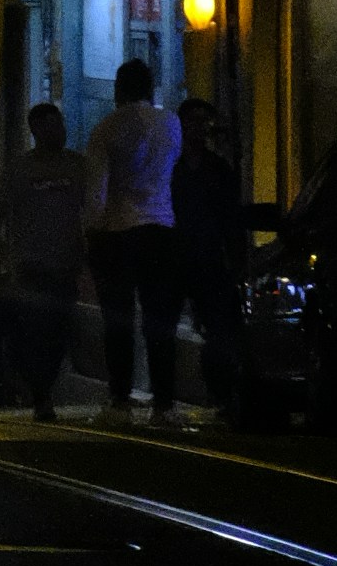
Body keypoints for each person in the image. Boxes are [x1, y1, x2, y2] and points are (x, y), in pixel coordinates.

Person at [82, 59, 183, 425]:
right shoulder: (171, 124)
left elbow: (98, 193)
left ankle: (120, 402)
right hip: (162, 227)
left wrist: (89, 233)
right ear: (151, 87)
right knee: (161, 320)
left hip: (118, 231)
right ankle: (165, 405)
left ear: (118, 89)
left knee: (119, 320)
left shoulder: (106, 129)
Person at [0, 103, 90, 421]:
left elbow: (93, 208)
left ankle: (44, 390)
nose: (58, 131)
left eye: (60, 124)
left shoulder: (77, 166)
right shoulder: (20, 170)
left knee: (58, 332)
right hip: (29, 266)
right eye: (50, 126)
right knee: (33, 332)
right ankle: (41, 396)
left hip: (66, 264)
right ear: (36, 131)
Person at [173, 94, 250, 416]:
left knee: (219, 329)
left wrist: (237, 262)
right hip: (175, 258)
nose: (198, 129)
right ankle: (166, 397)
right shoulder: (170, 167)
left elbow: (232, 219)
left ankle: (219, 393)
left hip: (209, 258)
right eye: (191, 122)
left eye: (203, 123)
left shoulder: (219, 169)